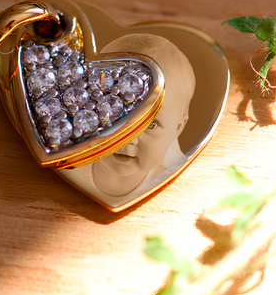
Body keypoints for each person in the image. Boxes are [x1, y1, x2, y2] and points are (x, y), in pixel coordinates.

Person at [68, 33, 196, 199]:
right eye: (112, 115)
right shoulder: (68, 158)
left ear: (177, 129)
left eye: (150, 124)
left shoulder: (173, 183)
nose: (128, 137)